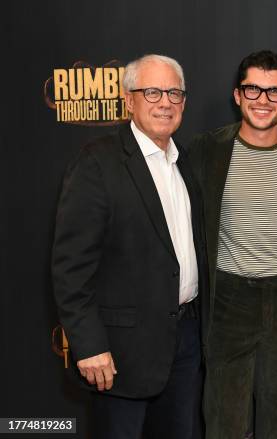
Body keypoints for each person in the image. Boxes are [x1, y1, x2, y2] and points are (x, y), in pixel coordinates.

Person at [52, 54, 204, 439]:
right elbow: (72, 267)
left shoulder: (184, 161)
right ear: (128, 100)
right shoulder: (98, 162)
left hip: (183, 343)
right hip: (119, 354)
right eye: (152, 92)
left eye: (174, 93)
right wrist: (88, 346)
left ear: (184, 102)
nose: (165, 102)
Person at [188, 50, 277, 439]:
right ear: (237, 94)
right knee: (224, 422)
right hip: (227, 299)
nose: (263, 100)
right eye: (253, 89)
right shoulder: (206, 151)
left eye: (273, 92)